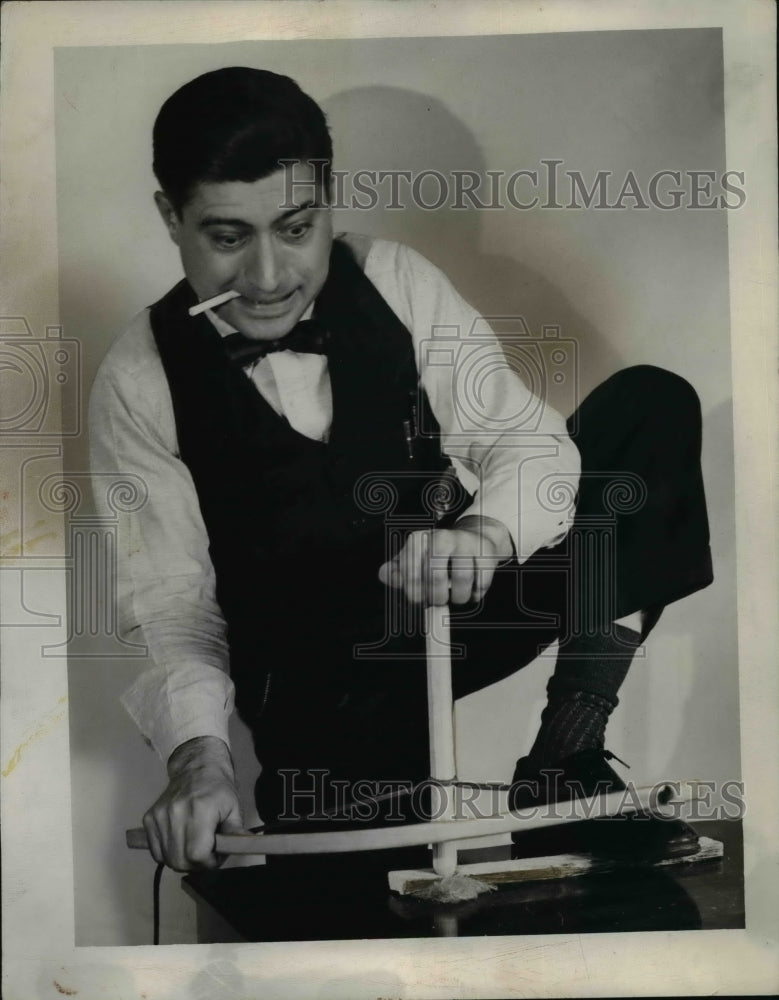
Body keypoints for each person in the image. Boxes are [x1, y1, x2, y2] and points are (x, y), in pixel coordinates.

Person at [89, 67, 713, 872]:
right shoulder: (138, 378)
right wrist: (198, 758)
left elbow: (526, 443)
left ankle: (562, 761)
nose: (270, 277)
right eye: (227, 236)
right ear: (171, 216)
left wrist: (483, 536)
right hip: (322, 689)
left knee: (646, 408)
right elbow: (172, 602)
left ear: (328, 200)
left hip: (457, 606)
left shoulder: (396, 281)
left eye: (295, 227)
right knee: (367, 911)